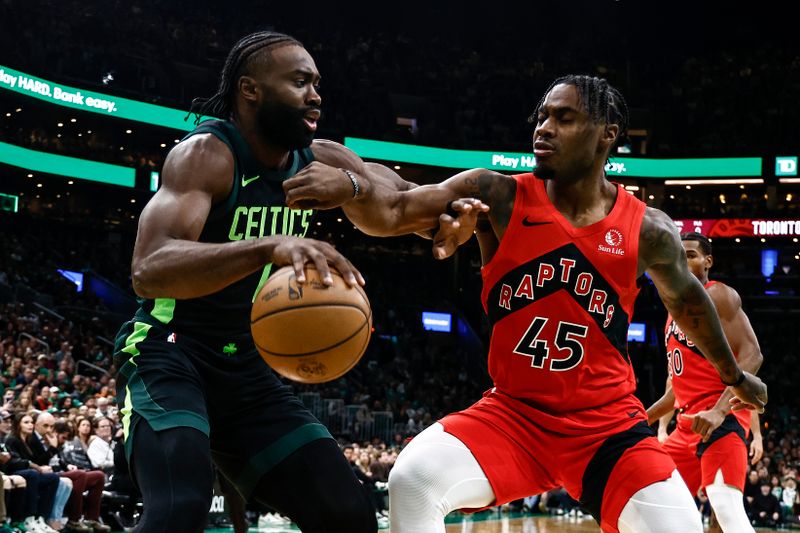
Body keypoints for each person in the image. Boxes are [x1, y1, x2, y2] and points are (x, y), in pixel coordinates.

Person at [283, 74, 768, 532]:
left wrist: (734, 376)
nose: (544, 128)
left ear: (606, 134)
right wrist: (352, 184)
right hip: (514, 416)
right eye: (542, 117)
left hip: (607, 429)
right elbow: (393, 209)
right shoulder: (497, 195)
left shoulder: (648, 228)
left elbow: (689, 306)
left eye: (564, 118)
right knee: (413, 479)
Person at [113, 30, 418, 533]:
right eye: (300, 81)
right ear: (250, 90)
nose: (316, 94)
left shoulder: (324, 160)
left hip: (247, 370)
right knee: (179, 507)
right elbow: (148, 269)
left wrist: (462, 206)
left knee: (349, 512)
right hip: (168, 352)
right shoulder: (207, 155)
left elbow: (404, 199)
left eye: (317, 83)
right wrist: (267, 246)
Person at [646, 232, 763, 532]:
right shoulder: (672, 315)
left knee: (726, 508)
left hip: (721, 423)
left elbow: (753, 357)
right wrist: (643, 417)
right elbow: (677, 391)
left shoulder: (718, 295)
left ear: (708, 261)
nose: (683, 261)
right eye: (679, 255)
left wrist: (720, 411)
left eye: (691, 254)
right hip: (686, 427)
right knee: (656, 507)